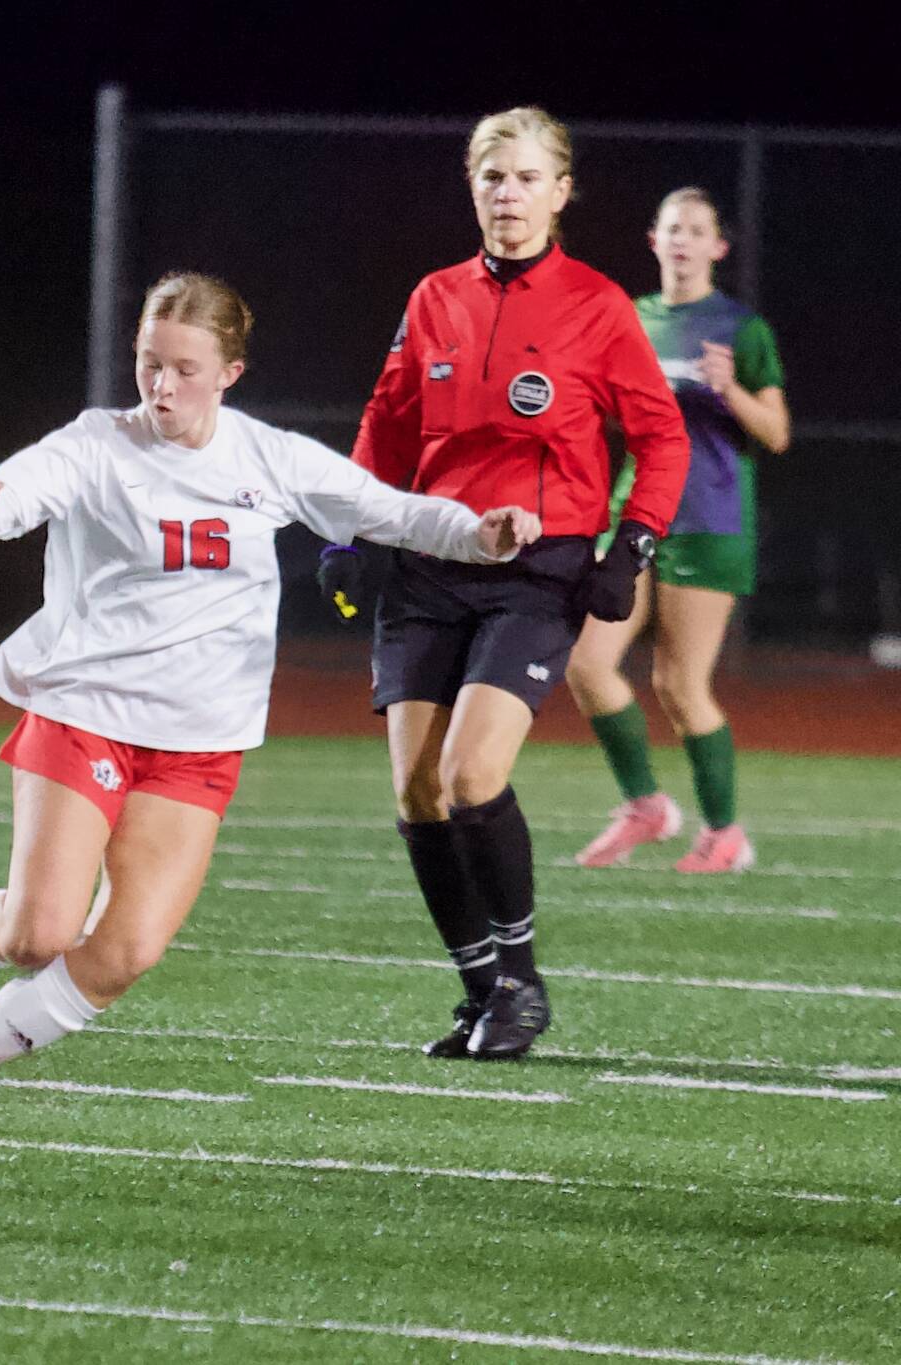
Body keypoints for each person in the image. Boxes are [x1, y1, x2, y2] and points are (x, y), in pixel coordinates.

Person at [0, 272, 543, 1135]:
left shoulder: (265, 458)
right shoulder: (96, 444)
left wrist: (478, 534)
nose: (161, 386)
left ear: (230, 372)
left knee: (124, 953)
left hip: (199, 740)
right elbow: (3, 510)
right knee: (40, 934)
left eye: (184, 369)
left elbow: (387, 512)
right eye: (148, 363)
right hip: (87, 708)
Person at [325, 107, 691, 1061]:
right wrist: (358, 527)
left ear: (561, 192)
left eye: (528, 178)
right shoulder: (434, 296)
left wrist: (632, 545)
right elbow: (390, 420)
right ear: (473, 187)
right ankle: (484, 990)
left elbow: (661, 436)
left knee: (472, 774)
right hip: (430, 561)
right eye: (494, 178)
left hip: (537, 571)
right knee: (415, 792)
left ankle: (520, 983)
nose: (509, 195)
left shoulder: (598, 306)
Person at [565, 187, 789, 874]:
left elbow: (776, 433)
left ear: (718, 246)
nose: (684, 240)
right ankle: (647, 806)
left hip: (709, 521)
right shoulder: (631, 320)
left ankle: (725, 833)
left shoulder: (740, 329)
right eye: (673, 229)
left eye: (698, 230)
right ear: (654, 240)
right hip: (635, 516)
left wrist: (730, 391)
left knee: (679, 685)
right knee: (586, 664)